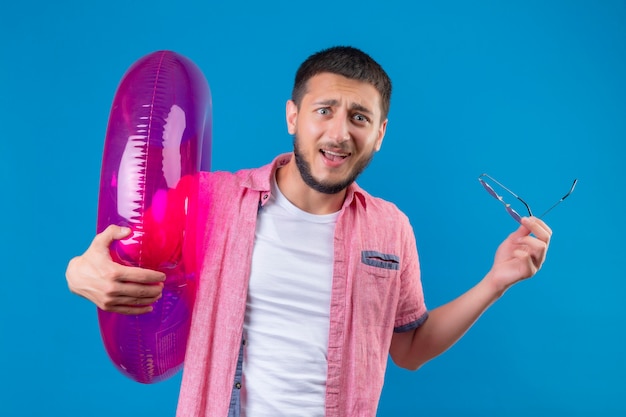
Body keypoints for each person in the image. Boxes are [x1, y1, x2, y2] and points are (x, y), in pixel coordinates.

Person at [66, 46, 552, 417]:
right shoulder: (211, 200)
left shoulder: (390, 227)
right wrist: (78, 272)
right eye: (324, 111)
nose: (340, 133)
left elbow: (409, 348)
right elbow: (119, 254)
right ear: (293, 117)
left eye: (360, 117)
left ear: (380, 134)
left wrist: (496, 280)